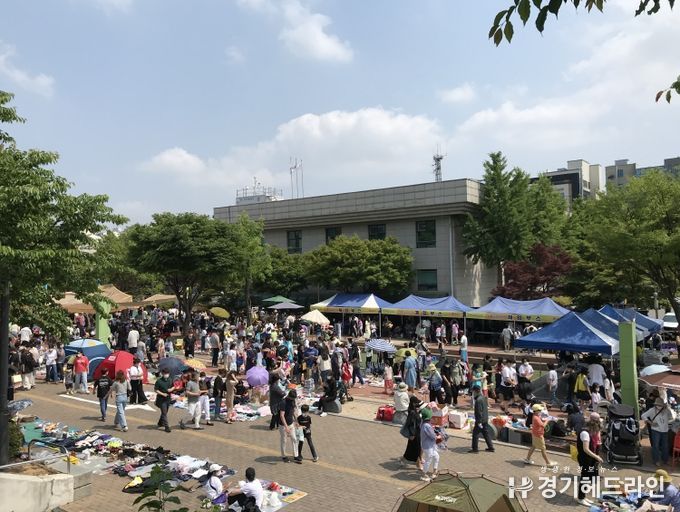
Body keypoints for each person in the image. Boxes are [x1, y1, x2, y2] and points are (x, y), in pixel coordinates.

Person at [576, 413, 603, 507]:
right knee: (585, 478)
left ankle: (583, 496)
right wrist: (597, 457)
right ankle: (580, 498)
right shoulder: (585, 433)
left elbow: (598, 440)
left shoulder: (593, 431)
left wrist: (598, 433)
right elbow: (586, 449)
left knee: (591, 477)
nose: (598, 429)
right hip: (585, 459)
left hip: (591, 458)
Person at [642, 397, 676, 467]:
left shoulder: (666, 410)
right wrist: (650, 422)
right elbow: (643, 416)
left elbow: (671, 417)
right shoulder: (652, 410)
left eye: (660, 405)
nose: (659, 406)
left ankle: (665, 460)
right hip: (655, 430)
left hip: (665, 431)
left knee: (665, 446)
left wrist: (668, 409)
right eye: (658, 405)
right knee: (656, 446)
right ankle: (656, 460)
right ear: (655, 404)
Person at [469, 384, 494, 453]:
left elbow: (479, 412)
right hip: (485, 418)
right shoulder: (483, 397)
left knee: (475, 434)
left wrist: (479, 422)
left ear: (475, 391)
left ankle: (475, 449)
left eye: (473, 391)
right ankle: (491, 447)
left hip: (480, 420)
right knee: (486, 433)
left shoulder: (478, 400)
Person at [278, 389, 301, 463]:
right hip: (283, 425)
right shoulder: (283, 402)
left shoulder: (293, 401)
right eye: (292, 398)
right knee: (284, 441)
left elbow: (293, 411)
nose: (293, 400)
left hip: (291, 423)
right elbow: (282, 416)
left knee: (294, 439)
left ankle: (296, 455)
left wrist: (296, 420)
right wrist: (286, 427)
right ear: (289, 396)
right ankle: (284, 456)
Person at [419, 408, 440, 482]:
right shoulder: (427, 426)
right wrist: (438, 436)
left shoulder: (423, 423)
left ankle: (434, 471)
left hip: (428, 445)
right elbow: (432, 436)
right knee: (428, 459)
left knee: (436, 456)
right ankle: (424, 474)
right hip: (428, 447)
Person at [154, 368, 175, 432]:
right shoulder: (159, 381)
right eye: (165, 373)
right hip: (161, 399)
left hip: (168, 399)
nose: (166, 375)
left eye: (167, 373)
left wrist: (171, 389)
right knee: (164, 412)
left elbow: (173, 386)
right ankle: (167, 427)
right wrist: (163, 394)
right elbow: (156, 390)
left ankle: (160, 422)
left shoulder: (170, 379)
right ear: (162, 374)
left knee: (165, 412)